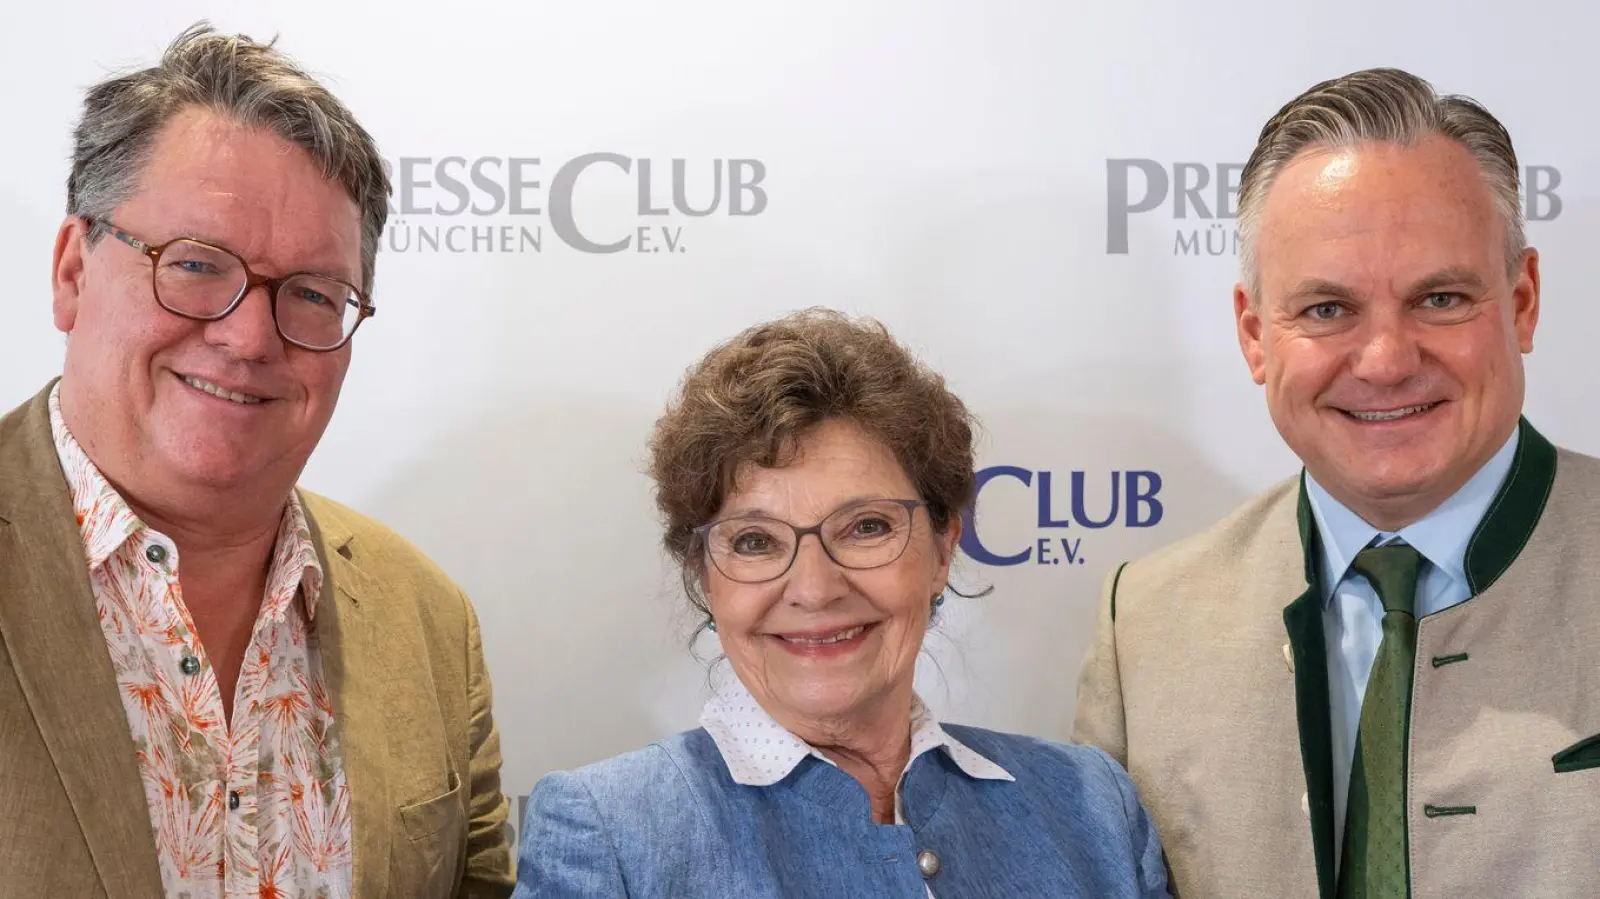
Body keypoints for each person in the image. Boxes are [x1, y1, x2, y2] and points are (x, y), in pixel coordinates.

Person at [0, 23, 514, 899]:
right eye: (196, 264)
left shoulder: (431, 621)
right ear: (73, 271)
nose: (246, 337)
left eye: (314, 293)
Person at [1073, 67, 1600, 899]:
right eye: (1326, 309)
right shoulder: (1145, 623)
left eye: (1440, 297)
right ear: (1255, 334)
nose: (1387, 359)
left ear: (1523, 301)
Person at [511, 308, 1170, 898]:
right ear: (705, 574)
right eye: (754, 540)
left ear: (943, 549)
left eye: (866, 527)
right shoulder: (612, 834)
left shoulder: (1092, 805)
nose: (815, 586)